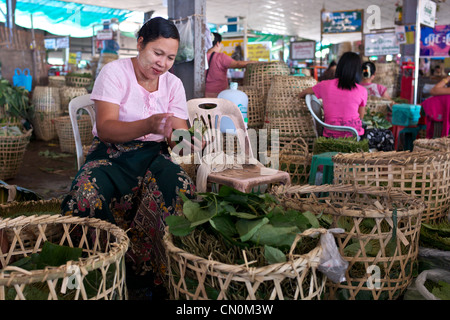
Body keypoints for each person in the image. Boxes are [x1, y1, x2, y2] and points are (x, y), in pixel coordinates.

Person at [60, 17, 197, 293]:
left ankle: (151, 277)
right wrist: (148, 124)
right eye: (157, 53)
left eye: (170, 57)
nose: (163, 63)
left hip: (153, 157)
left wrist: (191, 143)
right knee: (85, 195)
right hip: (110, 155)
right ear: (140, 44)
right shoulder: (114, 73)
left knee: (179, 185)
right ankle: (98, 274)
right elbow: (107, 127)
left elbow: (178, 141)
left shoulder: (173, 85)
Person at [299, 51, 367, 139]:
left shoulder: (324, 85)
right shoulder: (362, 90)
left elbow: (303, 93)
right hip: (354, 136)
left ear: (339, 67)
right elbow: (361, 116)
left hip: (330, 135)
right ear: (358, 71)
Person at [205, 32, 256, 97]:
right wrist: (254, 62)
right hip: (219, 94)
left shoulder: (200, 57)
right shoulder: (220, 57)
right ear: (218, 44)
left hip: (202, 94)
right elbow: (237, 64)